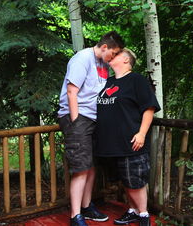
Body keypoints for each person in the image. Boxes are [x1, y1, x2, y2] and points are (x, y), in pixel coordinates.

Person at [58, 31, 125, 226]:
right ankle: (75, 216)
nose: (114, 57)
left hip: (95, 119)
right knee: (80, 169)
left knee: (90, 166)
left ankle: (87, 207)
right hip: (79, 118)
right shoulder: (82, 59)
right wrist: (76, 120)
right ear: (105, 47)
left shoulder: (103, 64)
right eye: (114, 53)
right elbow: (72, 91)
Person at [94, 48, 161, 226]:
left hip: (131, 141)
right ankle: (132, 211)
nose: (110, 57)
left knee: (135, 182)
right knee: (126, 180)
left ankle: (144, 216)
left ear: (125, 60)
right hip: (110, 144)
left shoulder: (136, 80)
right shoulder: (107, 82)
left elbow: (149, 108)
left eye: (115, 55)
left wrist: (141, 133)